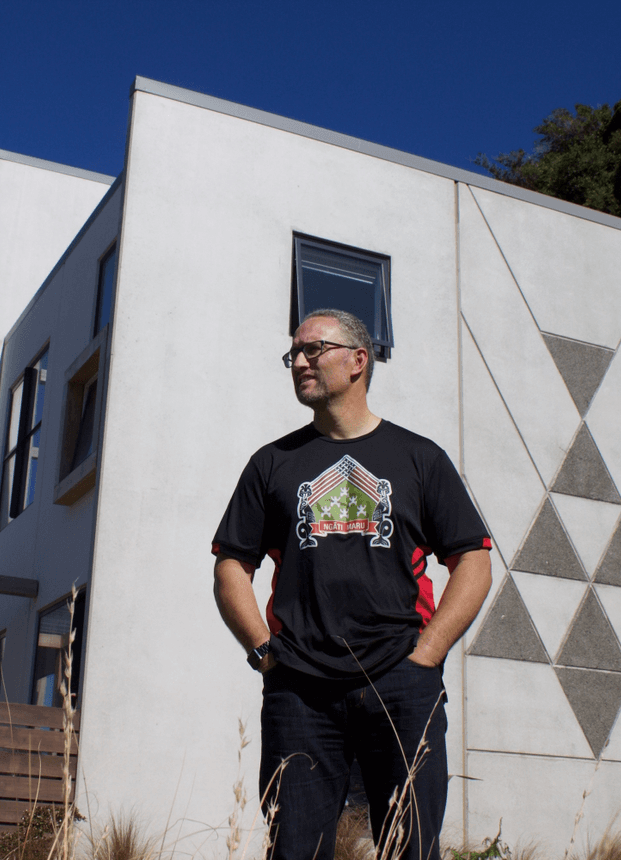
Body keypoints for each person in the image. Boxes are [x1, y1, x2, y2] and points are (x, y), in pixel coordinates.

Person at [211, 308, 492, 860]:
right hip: (300, 690)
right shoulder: (271, 464)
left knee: (410, 849)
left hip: (401, 681)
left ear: (359, 360)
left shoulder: (419, 458)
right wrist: (265, 654)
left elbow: (474, 562)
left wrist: (427, 656)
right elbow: (231, 568)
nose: (299, 362)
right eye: (293, 353)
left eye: (313, 349)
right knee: (294, 850)